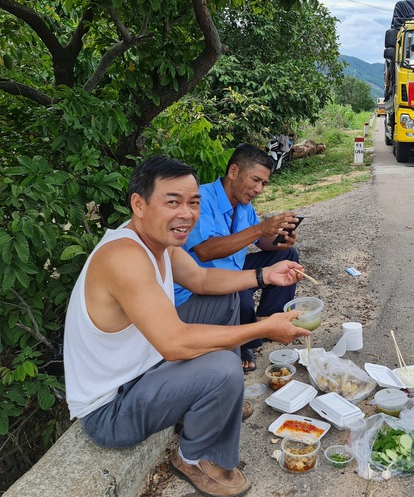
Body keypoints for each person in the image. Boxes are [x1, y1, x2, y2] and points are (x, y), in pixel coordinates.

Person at [63, 156, 310, 497]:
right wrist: (263, 327)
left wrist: (264, 274)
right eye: (172, 202)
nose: (187, 213)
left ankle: (214, 403)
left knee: (224, 301)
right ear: (139, 203)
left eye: (193, 202)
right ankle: (194, 457)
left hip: (145, 371)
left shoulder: (156, 240)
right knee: (224, 367)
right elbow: (174, 344)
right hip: (111, 410)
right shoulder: (125, 256)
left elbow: (202, 277)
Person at [174, 144, 302, 373]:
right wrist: (261, 229)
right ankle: (246, 342)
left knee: (287, 255)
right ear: (234, 172)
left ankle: (266, 321)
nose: (259, 189)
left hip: (234, 269)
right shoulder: (201, 199)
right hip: (202, 281)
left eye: (263, 183)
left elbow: (258, 240)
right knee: (239, 294)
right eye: (255, 180)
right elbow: (205, 250)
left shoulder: (244, 206)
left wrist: (279, 240)